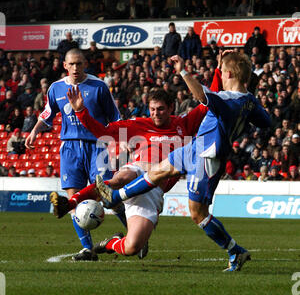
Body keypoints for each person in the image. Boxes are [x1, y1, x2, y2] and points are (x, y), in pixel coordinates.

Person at [94, 52, 271, 272]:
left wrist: (183, 71)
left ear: (228, 73)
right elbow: (266, 122)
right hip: (194, 148)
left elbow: (202, 96)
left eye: (222, 71)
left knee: (198, 213)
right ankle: (115, 197)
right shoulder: (248, 101)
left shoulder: (228, 100)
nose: (222, 76)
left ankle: (235, 250)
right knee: (158, 171)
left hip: (207, 159)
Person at [49, 58, 223, 262]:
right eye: (152, 109)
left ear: (171, 107)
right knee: (119, 178)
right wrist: (81, 111)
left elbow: (208, 101)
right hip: (137, 171)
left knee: (133, 247)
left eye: (161, 109)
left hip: (154, 190)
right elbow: (102, 131)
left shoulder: (184, 124)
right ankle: (70, 203)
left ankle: (110, 243)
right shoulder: (138, 125)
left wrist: (218, 69)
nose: (156, 113)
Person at [25, 48, 122, 262]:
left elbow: (115, 118)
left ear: (85, 64)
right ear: (65, 66)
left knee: (108, 194)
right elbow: (47, 114)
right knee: (72, 201)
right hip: (69, 147)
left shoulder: (98, 87)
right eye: (72, 64)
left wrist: (119, 143)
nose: (76, 68)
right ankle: (87, 249)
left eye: (79, 63)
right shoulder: (56, 88)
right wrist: (34, 131)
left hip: (97, 146)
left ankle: (134, 233)